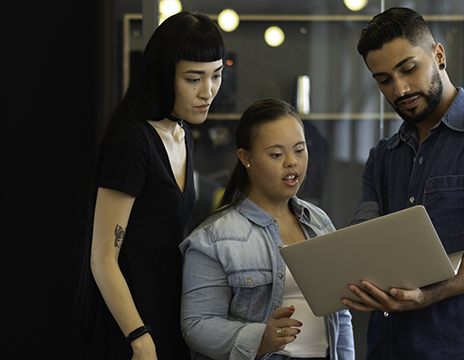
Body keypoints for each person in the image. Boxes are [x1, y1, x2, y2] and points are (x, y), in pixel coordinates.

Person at [341, 7, 464, 360]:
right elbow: (366, 236)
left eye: (408, 68)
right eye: (384, 79)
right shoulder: (384, 156)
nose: (399, 89)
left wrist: (426, 294)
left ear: (438, 55)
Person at [76, 12, 226, 359]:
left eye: (216, 76)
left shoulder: (182, 133)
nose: (208, 92)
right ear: (163, 75)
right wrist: (139, 336)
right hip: (132, 326)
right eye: (193, 79)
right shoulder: (133, 141)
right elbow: (102, 258)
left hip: (171, 317)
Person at [179, 98, 355, 360]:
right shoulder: (213, 238)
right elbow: (196, 325)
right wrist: (260, 338)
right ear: (245, 158)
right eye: (276, 154)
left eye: (299, 150)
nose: (291, 162)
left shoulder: (319, 221)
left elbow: (340, 313)